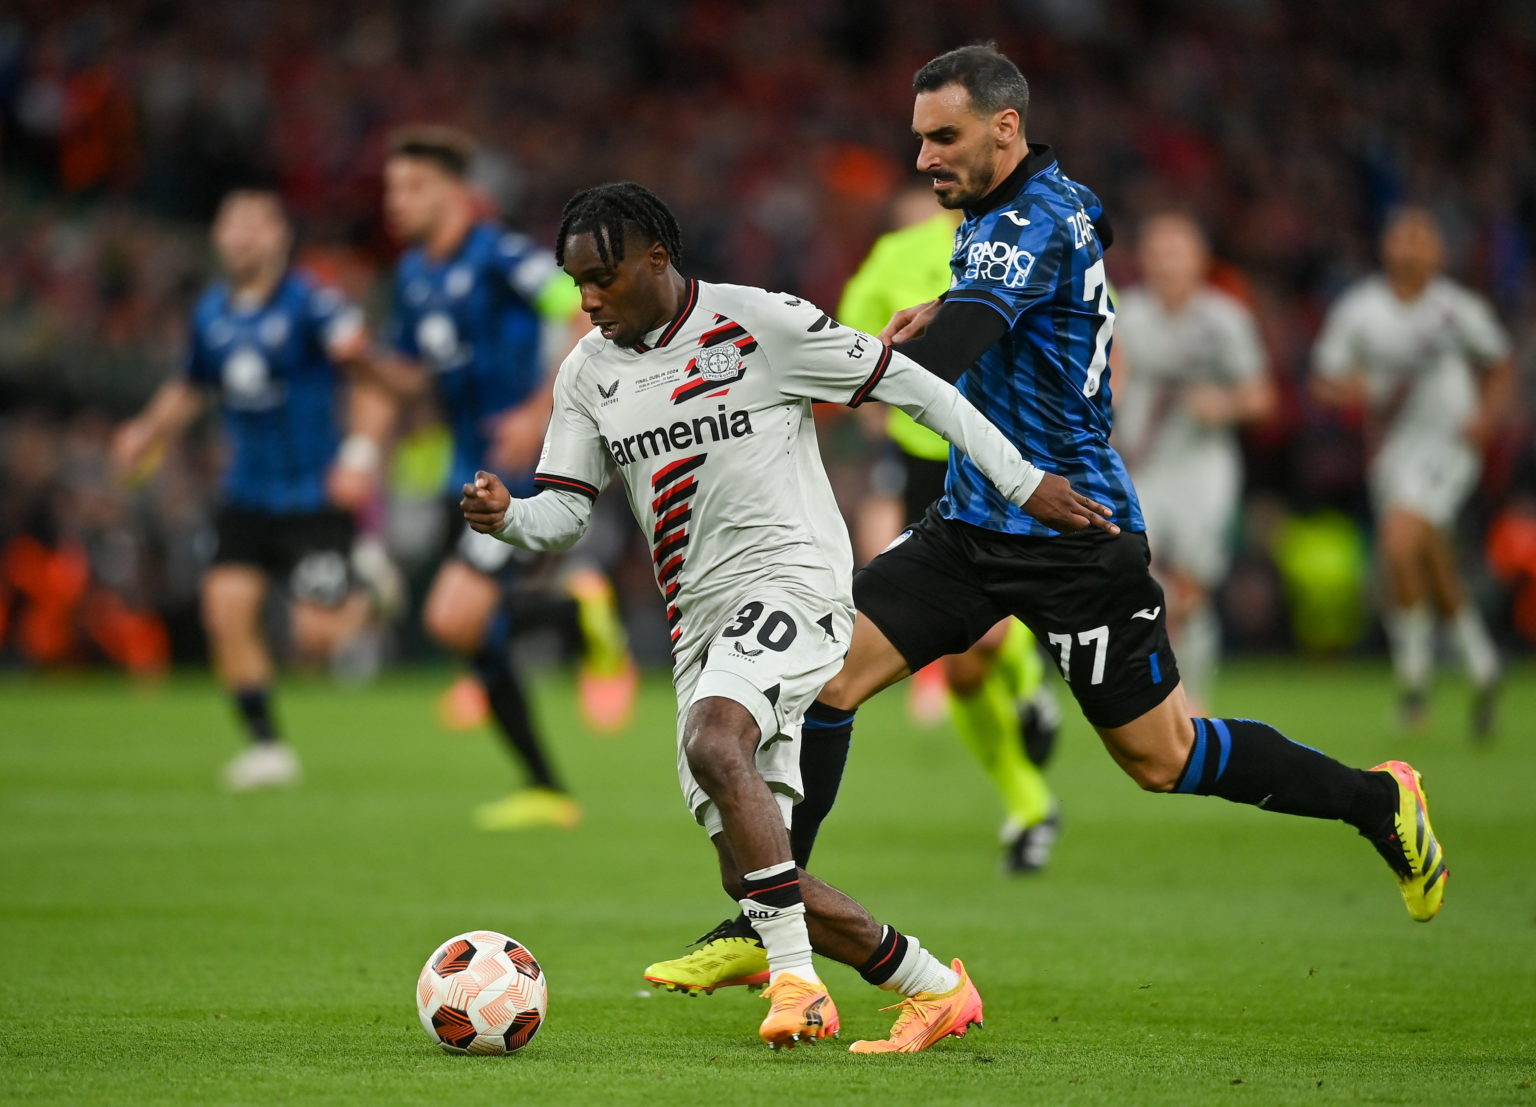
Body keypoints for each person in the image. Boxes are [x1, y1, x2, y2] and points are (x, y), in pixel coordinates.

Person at [649, 41, 1448, 999]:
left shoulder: (1021, 221)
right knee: (819, 681)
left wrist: (800, 363)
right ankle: (770, 916)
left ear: (1005, 127)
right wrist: (948, 300)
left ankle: (1378, 800)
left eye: (943, 138)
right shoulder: (1040, 205)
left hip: (1074, 533)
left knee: (1165, 758)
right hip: (972, 523)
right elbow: (1072, 242)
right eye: (918, 139)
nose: (924, 159)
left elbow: (938, 366)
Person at [461, 181, 1112, 1051]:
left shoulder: (759, 322)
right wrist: (508, 515)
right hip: (700, 622)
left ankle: (798, 983)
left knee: (714, 739)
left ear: (659, 258)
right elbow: (565, 515)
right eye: (576, 281)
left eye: (603, 278)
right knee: (755, 873)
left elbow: (920, 390)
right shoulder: (586, 371)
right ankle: (930, 984)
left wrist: (1026, 482)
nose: (588, 299)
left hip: (795, 583)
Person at [366, 126, 634, 831]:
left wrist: (539, 403)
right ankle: (546, 781)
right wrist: (353, 361)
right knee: (463, 626)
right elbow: (405, 376)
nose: (397, 201)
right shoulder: (414, 278)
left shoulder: (500, 256)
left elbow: (580, 307)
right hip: (470, 466)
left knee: (453, 616)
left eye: (414, 186)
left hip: (528, 455)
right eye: (392, 187)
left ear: (457, 190)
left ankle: (577, 629)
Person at [112, 189, 389, 790]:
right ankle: (267, 748)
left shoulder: (314, 305)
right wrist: (145, 432)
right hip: (247, 492)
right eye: (230, 224)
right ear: (216, 236)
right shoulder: (211, 312)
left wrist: (361, 455)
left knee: (318, 641)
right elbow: (190, 387)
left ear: (279, 237)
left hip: (314, 493)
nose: (241, 236)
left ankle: (370, 586)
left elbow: (367, 376)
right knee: (225, 612)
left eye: (254, 225)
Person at [839, 185, 1063, 874]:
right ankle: (1030, 802)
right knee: (961, 664)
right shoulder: (900, 253)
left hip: (1003, 456)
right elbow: (853, 347)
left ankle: (1028, 691)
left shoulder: (1011, 245)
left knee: (982, 633)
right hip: (925, 461)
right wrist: (877, 411)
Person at [1312, 207, 1513, 738]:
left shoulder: (1457, 309)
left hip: (1448, 447)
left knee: (1400, 543)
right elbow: (1326, 379)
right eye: (1402, 237)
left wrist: (1486, 416)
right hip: (1393, 451)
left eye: (1422, 238)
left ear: (1438, 253)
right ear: (1386, 248)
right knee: (1425, 556)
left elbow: (1499, 361)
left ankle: (1414, 677)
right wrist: (1348, 391)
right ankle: (1482, 663)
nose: (1411, 248)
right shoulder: (1361, 311)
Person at [1112, 213, 1275, 713]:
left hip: (1203, 468)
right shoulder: (1128, 314)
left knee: (1191, 585)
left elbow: (1261, 396)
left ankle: (1194, 691)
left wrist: (1223, 404)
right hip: (1144, 465)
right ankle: (1162, 693)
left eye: (1177, 251)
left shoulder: (1224, 320)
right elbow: (1110, 379)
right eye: (1158, 251)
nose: (1167, 262)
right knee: (1145, 577)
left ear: (1200, 260)